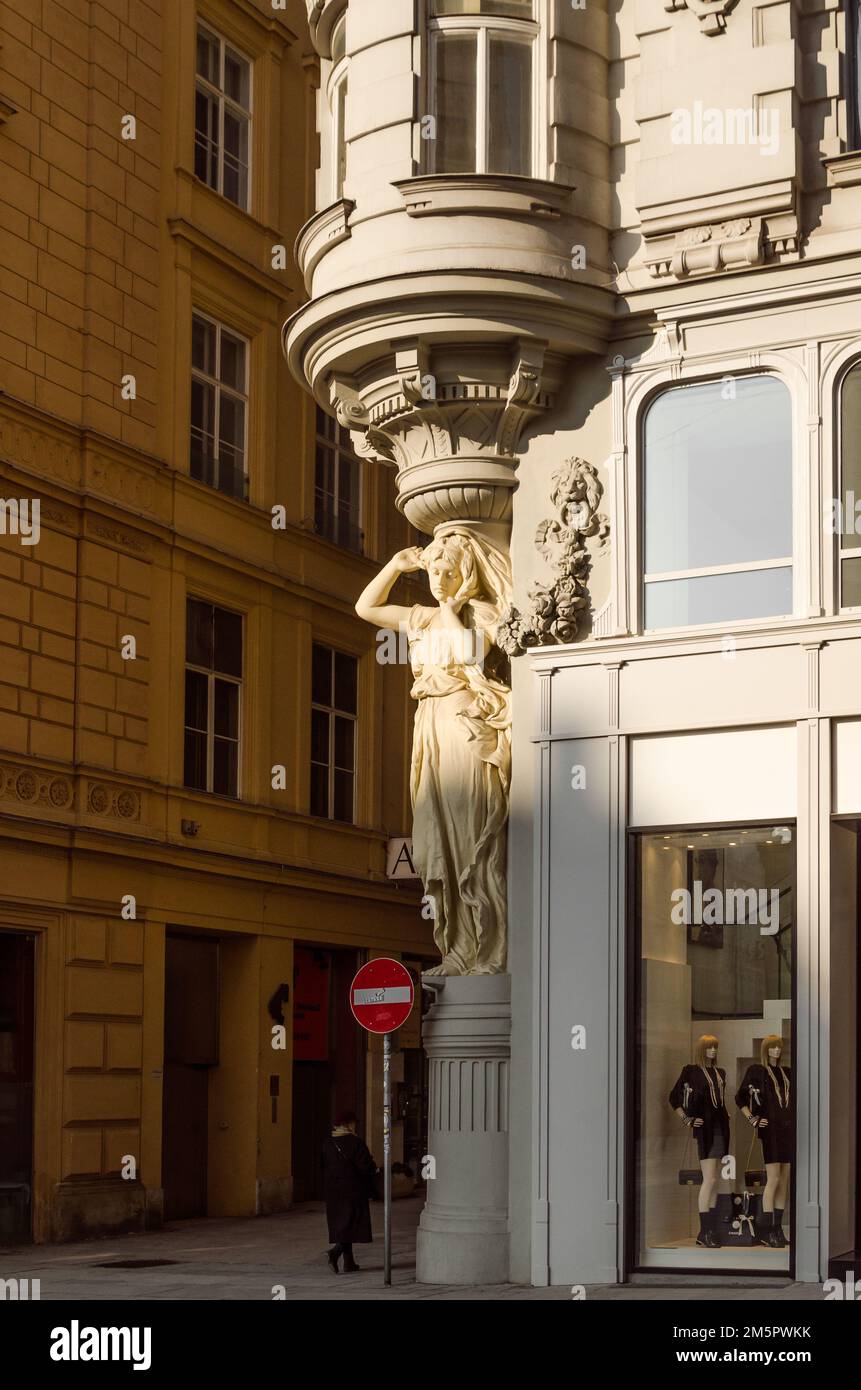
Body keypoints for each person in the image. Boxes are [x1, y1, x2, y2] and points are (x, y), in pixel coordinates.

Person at [321, 1111, 378, 1274]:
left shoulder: (327, 1143)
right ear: (348, 1124)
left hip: (333, 1191)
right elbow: (365, 1167)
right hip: (353, 1189)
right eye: (353, 1123)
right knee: (351, 1222)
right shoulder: (356, 1143)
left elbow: (323, 1165)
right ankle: (335, 1252)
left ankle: (349, 1262)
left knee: (343, 1224)